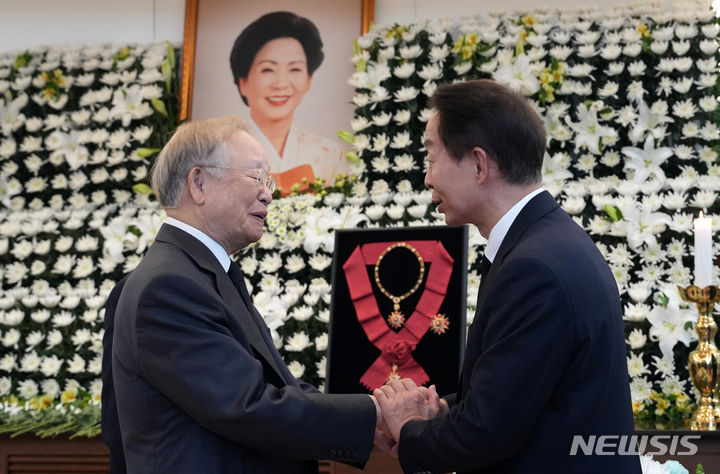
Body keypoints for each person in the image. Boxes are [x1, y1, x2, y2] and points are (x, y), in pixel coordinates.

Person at [373, 80, 641, 473]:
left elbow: (487, 432)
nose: (427, 179)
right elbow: (518, 397)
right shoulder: (547, 242)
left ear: (480, 164)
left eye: (431, 158)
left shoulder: (534, 268)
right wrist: (443, 410)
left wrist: (410, 428)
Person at [111, 115, 382, 473]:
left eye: (267, 180)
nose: (269, 194)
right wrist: (376, 415)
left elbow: (276, 385)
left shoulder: (196, 271)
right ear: (199, 183)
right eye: (256, 177)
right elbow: (248, 405)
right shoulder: (170, 286)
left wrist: (369, 413)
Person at [229, 11, 350, 188]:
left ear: (308, 80)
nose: (281, 84)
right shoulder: (222, 152)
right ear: (243, 82)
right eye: (268, 69)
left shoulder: (330, 155)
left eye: (295, 69)